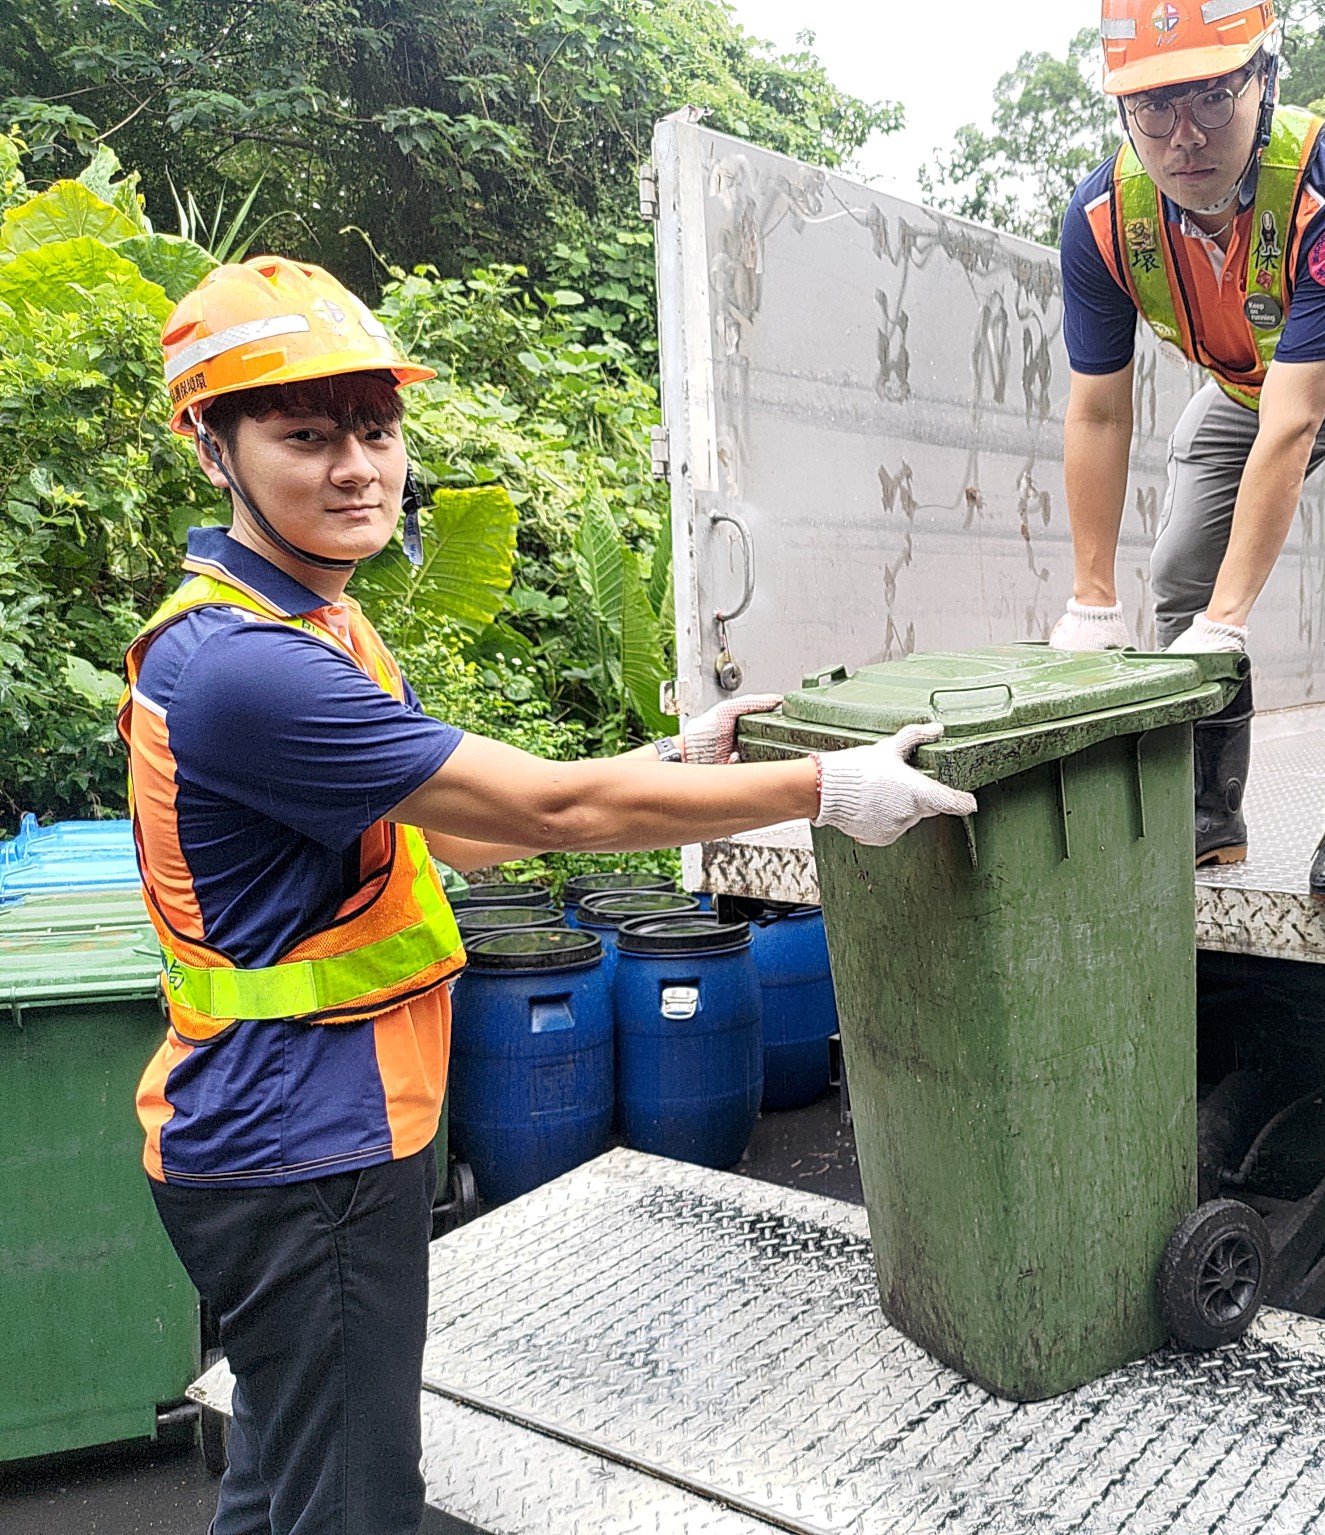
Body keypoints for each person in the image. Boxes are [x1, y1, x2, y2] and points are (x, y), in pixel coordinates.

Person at [122, 256, 974, 1535]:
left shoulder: (312, 628)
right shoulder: (248, 669)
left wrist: (678, 760)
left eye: (376, 428)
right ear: (213, 450)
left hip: (316, 1118)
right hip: (305, 1141)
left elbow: (467, 842)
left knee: (301, 1475)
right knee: (346, 1504)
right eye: (304, 435)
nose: (357, 466)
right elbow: (543, 813)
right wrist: (824, 788)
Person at [1048, 0, 1325, 903]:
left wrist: (1228, 624)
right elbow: (1100, 417)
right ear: (1122, 109)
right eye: (1153, 107)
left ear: (1265, 81)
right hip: (1249, 385)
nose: (1183, 135)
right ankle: (1208, 810)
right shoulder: (1105, 221)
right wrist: (1090, 600)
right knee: (1180, 564)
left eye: (1210, 97)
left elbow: (1294, 423)